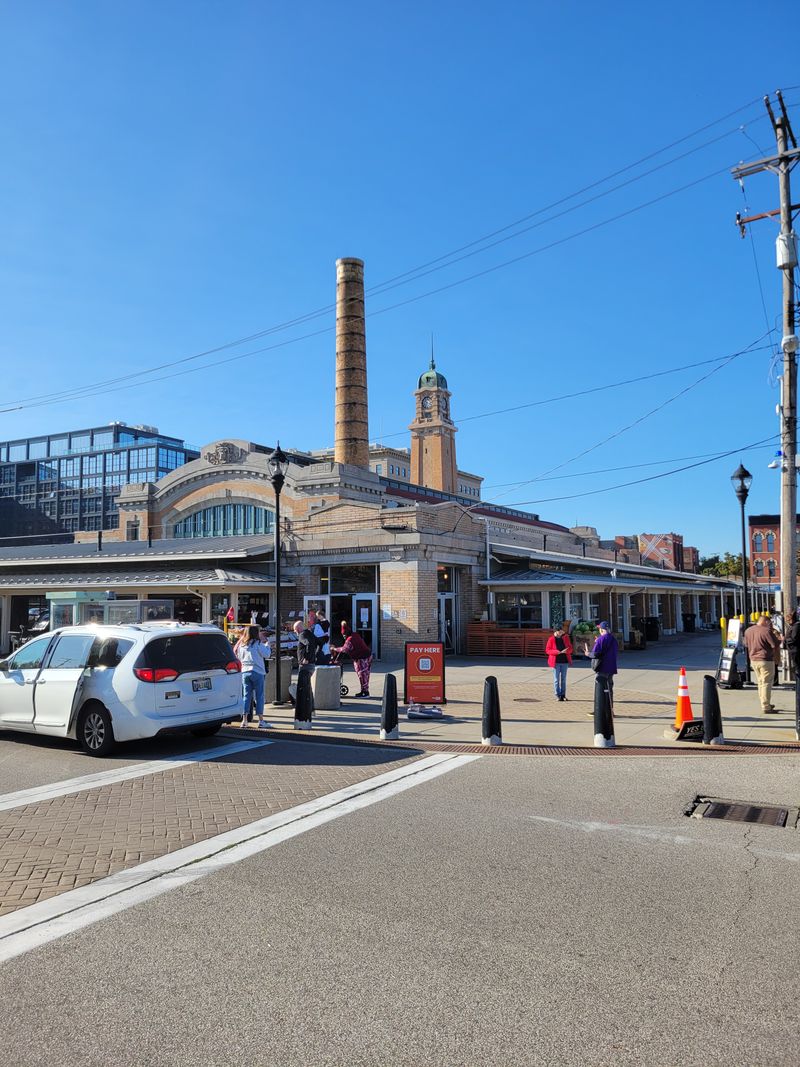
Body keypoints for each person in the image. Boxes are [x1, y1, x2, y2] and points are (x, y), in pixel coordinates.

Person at [233, 625, 272, 728]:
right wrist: (268, 646)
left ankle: (244, 720)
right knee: (259, 696)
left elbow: (238, 657)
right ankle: (261, 721)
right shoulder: (258, 644)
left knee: (246, 696)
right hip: (257, 671)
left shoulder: (242, 645)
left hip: (245, 672)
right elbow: (267, 655)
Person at [743, 615, 781, 713]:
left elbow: (746, 644)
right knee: (766, 683)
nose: (770, 625)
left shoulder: (748, 630)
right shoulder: (766, 631)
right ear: (765, 622)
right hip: (766, 660)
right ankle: (766, 706)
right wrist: (780, 638)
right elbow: (775, 644)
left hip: (753, 660)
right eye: (769, 623)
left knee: (760, 682)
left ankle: (764, 702)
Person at [583, 621, 619, 712]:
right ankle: (610, 710)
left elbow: (595, 654)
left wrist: (588, 654)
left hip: (602, 667)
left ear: (601, 630)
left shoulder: (601, 639)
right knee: (609, 689)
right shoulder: (613, 639)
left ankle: (599, 712)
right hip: (611, 667)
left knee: (600, 689)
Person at [331, 621, 373, 697]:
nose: (343, 636)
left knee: (362, 674)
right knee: (365, 675)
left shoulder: (350, 639)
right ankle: (364, 690)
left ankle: (365, 692)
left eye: (343, 634)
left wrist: (334, 649)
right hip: (367, 655)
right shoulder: (355, 635)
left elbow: (344, 649)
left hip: (362, 657)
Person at [545, 622, 573, 701]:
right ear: (555, 631)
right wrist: (557, 652)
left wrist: (566, 651)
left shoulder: (566, 638)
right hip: (556, 662)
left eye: (561, 632)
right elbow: (547, 650)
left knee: (563, 679)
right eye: (559, 632)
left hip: (564, 661)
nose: (561, 633)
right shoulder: (551, 639)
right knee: (556, 679)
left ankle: (563, 695)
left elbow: (570, 648)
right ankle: (557, 694)